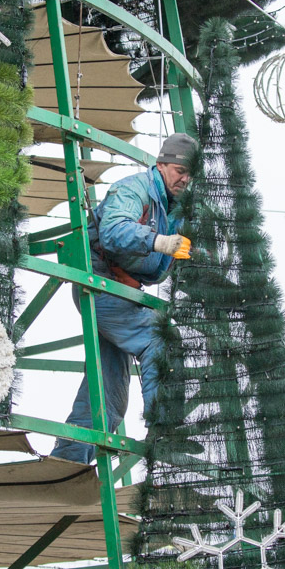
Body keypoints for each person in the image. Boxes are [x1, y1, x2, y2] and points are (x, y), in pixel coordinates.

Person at [49, 133, 197, 464]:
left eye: (191, 174)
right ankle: (166, 429)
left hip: (124, 292)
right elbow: (114, 230)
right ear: (161, 165)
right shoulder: (134, 190)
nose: (185, 179)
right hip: (100, 284)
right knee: (159, 338)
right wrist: (158, 241)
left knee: (108, 394)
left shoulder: (179, 210)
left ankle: (65, 466)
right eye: (179, 171)